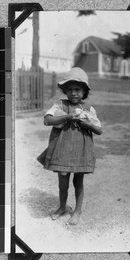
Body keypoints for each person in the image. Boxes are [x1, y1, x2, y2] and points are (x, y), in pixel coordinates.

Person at [37, 67, 102, 225]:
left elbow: (99, 130)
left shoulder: (88, 109)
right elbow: (47, 120)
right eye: (70, 89)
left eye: (78, 89)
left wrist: (85, 122)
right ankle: (62, 207)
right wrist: (67, 117)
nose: (74, 93)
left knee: (78, 182)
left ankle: (78, 211)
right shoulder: (60, 105)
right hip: (63, 149)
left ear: (84, 91)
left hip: (81, 150)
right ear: (65, 91)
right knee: (63, 182)